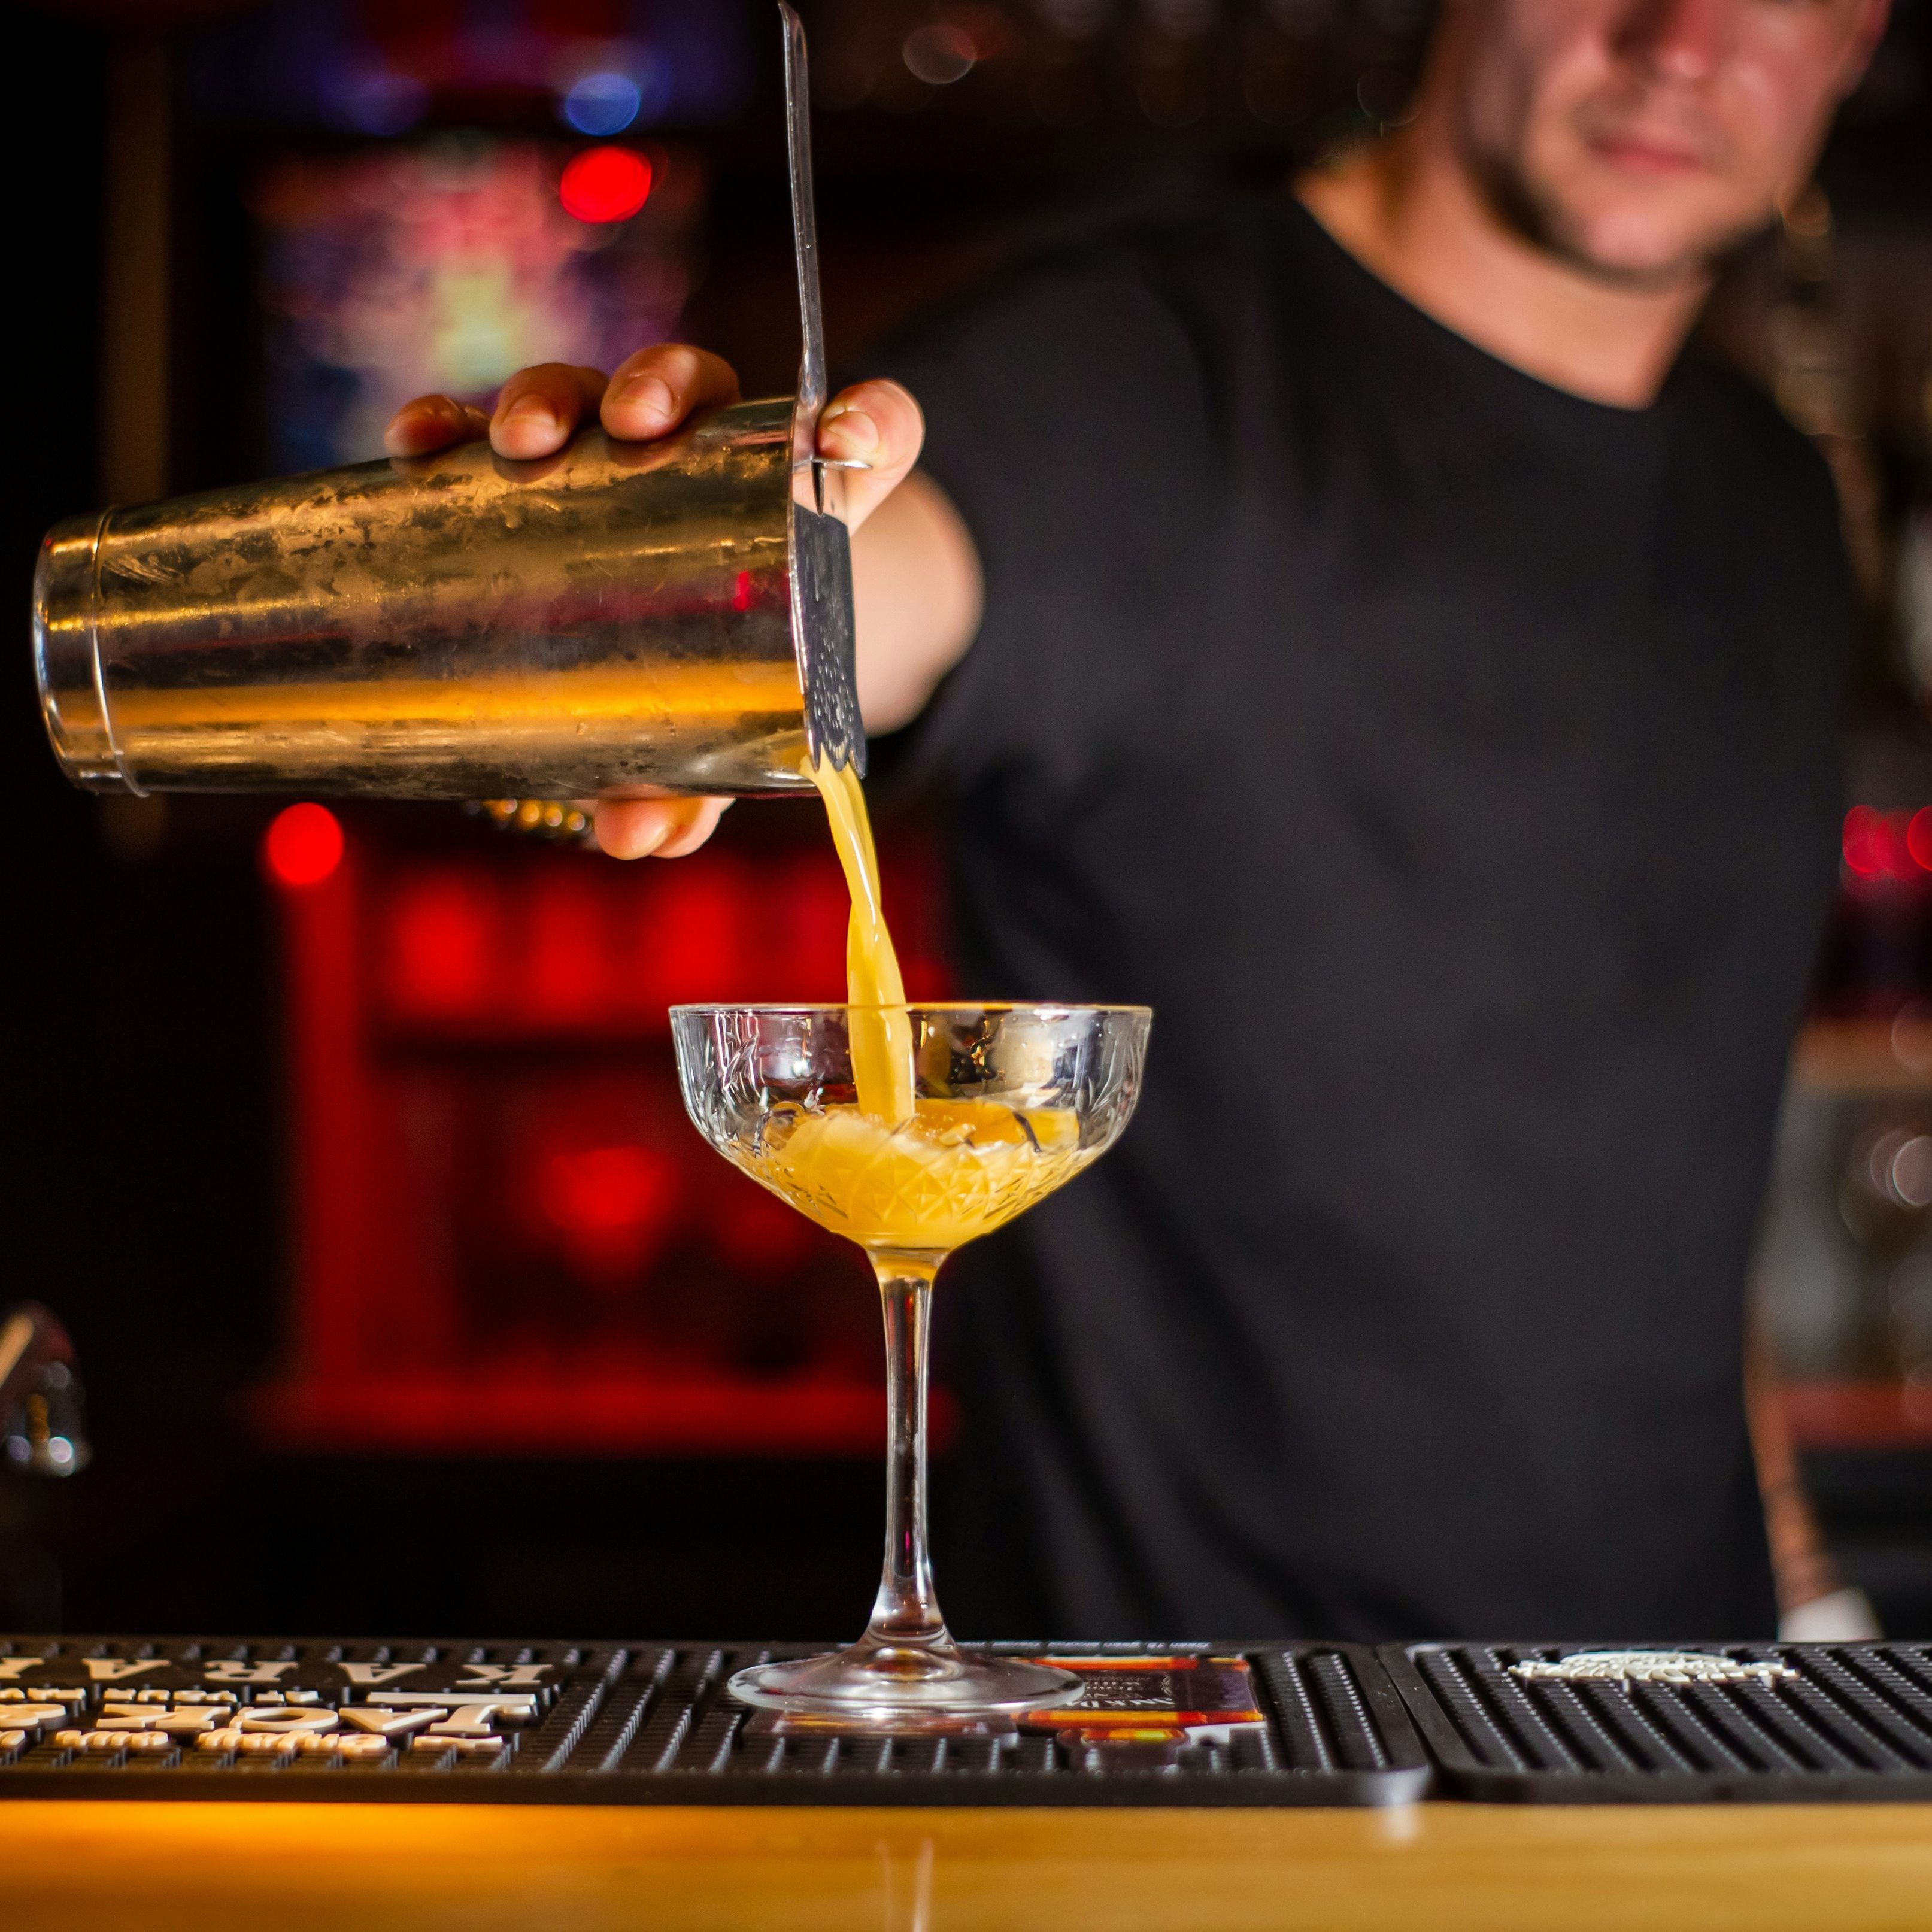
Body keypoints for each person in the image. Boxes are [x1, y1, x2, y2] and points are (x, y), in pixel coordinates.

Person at [389, 0, 1891, 1641]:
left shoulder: (1772, 503)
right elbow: (879, 575)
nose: (1681, 40)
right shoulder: (1134, 375)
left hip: (1681, 1733)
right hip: (1210, 1762)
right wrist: (655, 588)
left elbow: (1662, 1147)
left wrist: (1801, 1582)